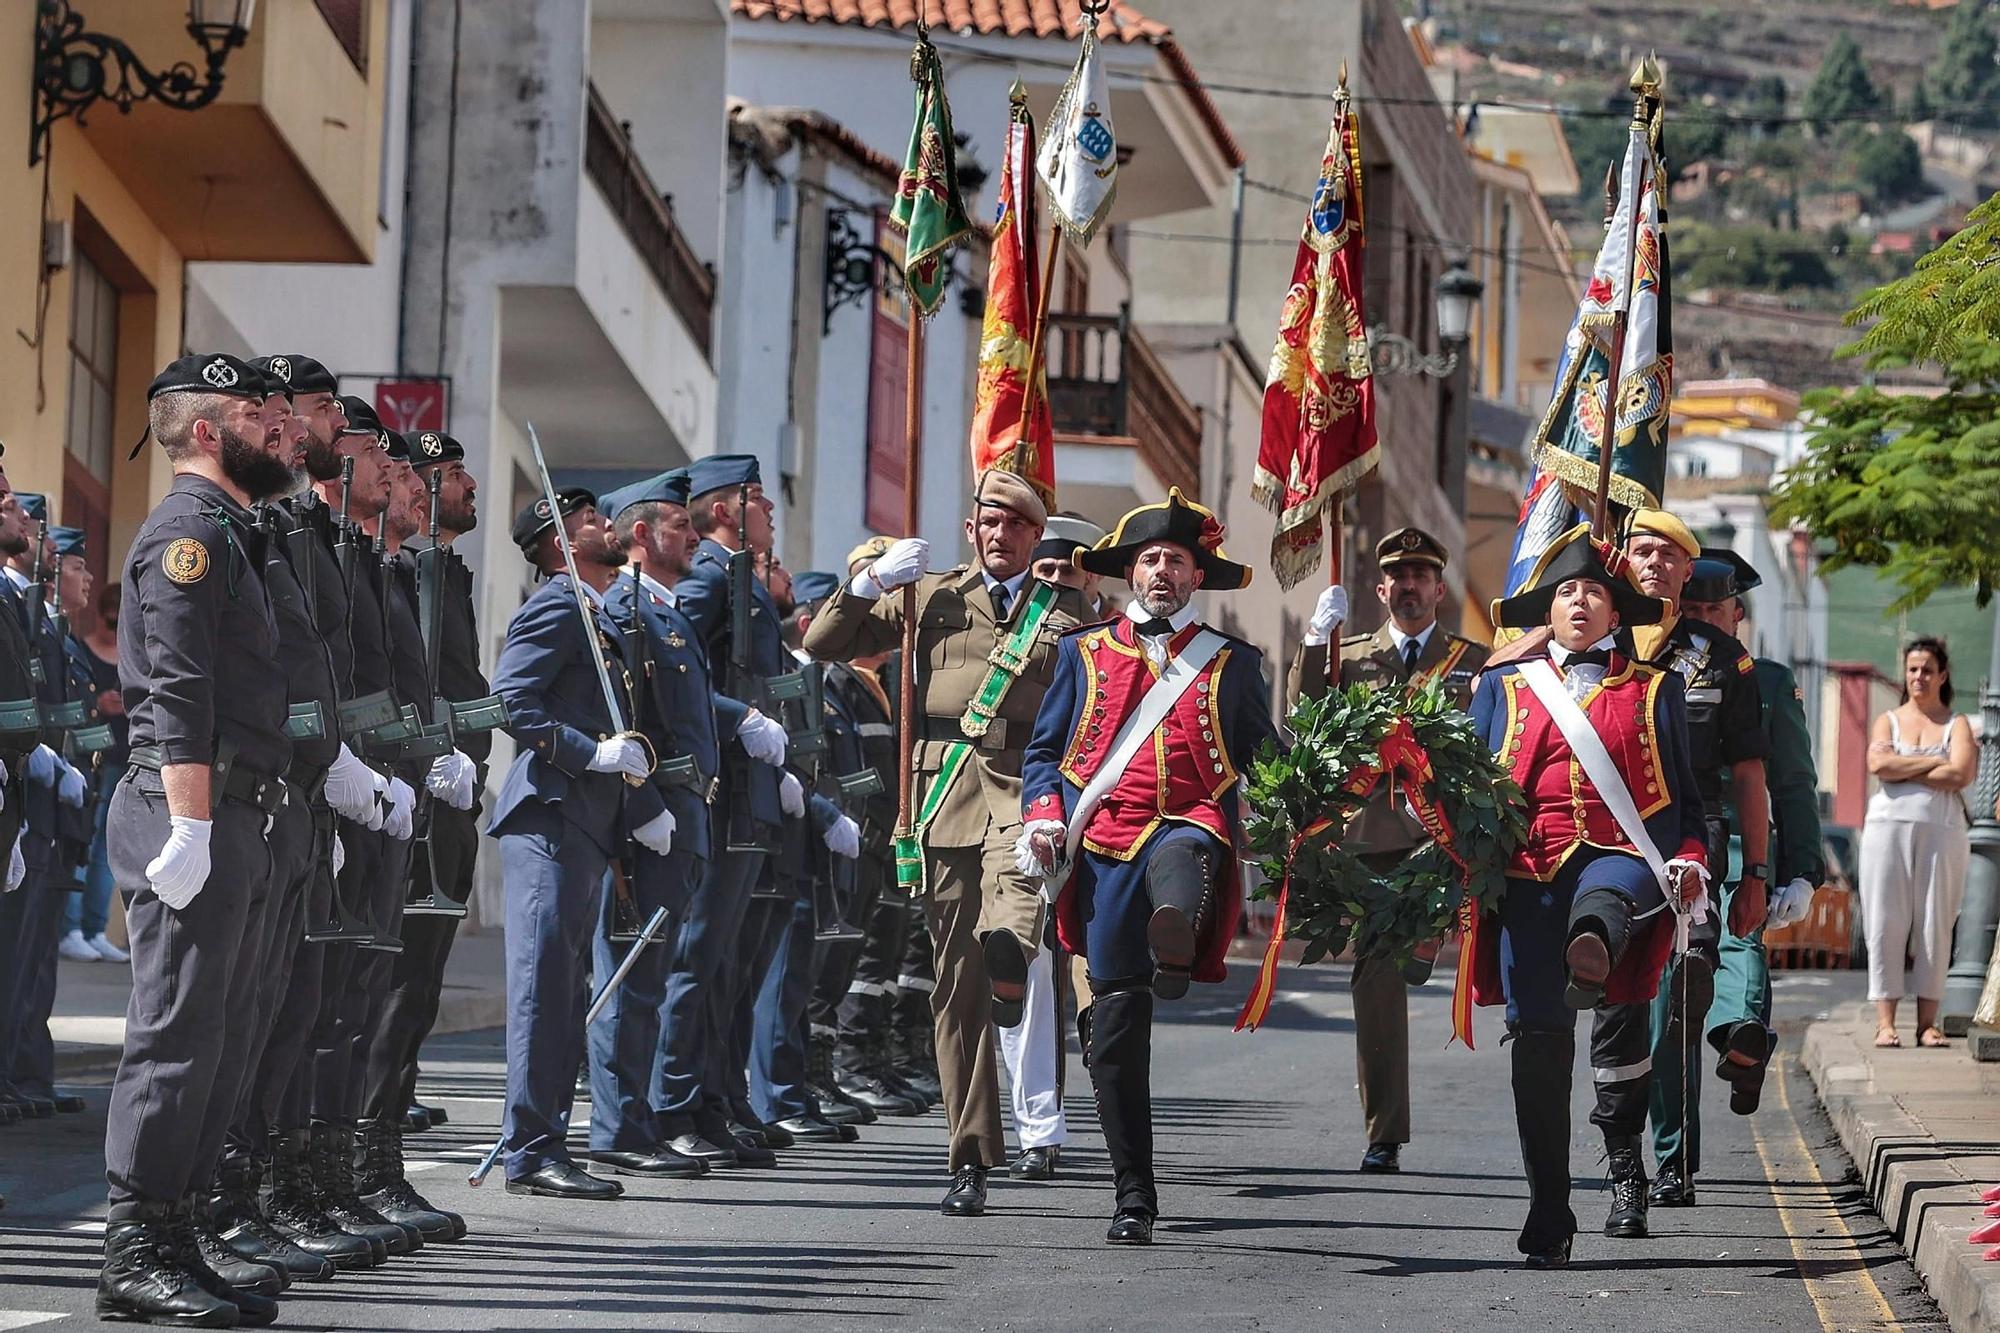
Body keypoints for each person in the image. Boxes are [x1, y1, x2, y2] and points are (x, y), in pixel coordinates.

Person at [805, 467, 1084, 1217]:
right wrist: (866, 583)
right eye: (990, 522)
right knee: (952, 990)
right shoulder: (926, 595)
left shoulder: (1067, 612)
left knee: (1017, 902)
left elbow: (1093, 707)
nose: (1002, 535)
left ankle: (1012, 963)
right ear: (972, 530)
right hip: (945, 790)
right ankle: (968, 1157)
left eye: (1018, 526)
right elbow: (823, 641)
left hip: (1027, 787)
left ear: (1036, 537)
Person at [95, 353, 297, 1326]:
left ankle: (177, 1230)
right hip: (190, 807)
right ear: (210, 430)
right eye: (257, 412)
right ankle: (134, 1247)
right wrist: (189, 822)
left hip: (236, 809)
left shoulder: (234, 533)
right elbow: (175, 689)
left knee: (219, 1037)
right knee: (176, 1036)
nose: (280, 427)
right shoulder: (188, 536)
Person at [1019, 489, 1276, 1244]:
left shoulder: (1232, 664)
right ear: (1131, 572)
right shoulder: (1082, 651)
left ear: (1198, 577)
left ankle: (1179, 933)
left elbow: (1267, 760)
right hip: (1101, 846)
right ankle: (1134, 1193)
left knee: (1185, 851)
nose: (1163, 570)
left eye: (1178, 560)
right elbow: (1043, 755)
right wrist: (1042, 817)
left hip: (1189, 829)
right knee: (1116, 1031)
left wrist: (1325, 785)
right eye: (1151, 558)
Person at [1468, 523, 1709, 1270]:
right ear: (1551, 610)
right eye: (1567, 590)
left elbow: (1687, 810)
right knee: (1537, 1045)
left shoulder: (1655, 690)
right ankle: (1549, 1205)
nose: (1579, 600)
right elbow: (1468, 793)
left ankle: (1594, 950)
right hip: (1526, 874)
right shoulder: (1503, 689)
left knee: (1602, 907)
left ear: (1616, 614)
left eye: (1594, 592)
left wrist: (1692, 861)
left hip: (1621, 861)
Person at [489, 486, 676, 1198]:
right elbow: (512, 699)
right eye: (589, 521)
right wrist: (590, 753)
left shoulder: (600, 616)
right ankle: (531, 1152)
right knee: (543, 991)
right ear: (558, 544)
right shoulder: (558, 603)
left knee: (566, 993)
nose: (606, 525)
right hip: (550, 815)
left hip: (585, 826)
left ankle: (545, 1142)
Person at [1285, 526, 1489, 1174]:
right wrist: (1316, 644)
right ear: (1380, 589)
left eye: (1420, 577)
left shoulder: (1471, 662)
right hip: (1372, 840)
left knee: (1422, 947)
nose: (1408, 587)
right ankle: (1385, 1130)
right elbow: (1305, 716)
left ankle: (1426, 932)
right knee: (1373, 981)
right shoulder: (1354, 654)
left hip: (1443, 843)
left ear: (1438, 588)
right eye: (1397, 578)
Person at [1618, 508, 1770, 1213]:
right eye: (1640, 551)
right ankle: (1623, 1154)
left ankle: (1673, 1159)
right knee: (1620, 1005)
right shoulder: (1597, 643)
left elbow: (1747, 775)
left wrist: (1757, 875)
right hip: (1606, 845)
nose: (1653, 563)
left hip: (1692, 848)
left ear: (1687, 571)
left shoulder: (1722, 658)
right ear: (1621, 560)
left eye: (1667, 554)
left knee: (1681, 993)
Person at [587, 468, 726, 1179]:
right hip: (652, 818)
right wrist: (640, 812)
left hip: (685, 815)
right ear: (641, 533)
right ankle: (617, 1127)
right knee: (632, 976)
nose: (696, 533)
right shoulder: (628, 610)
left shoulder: (666, 613)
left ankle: (633, 1118)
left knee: (655, 975)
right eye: (681, 522)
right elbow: (629, 722)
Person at [655, 454, 792, 1168]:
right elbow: (675, 678)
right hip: (724, 788)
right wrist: (740, 720)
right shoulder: (708, 581)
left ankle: (713, 1097)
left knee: (727, 965)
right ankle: (675, 1104)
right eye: (758, 499)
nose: (769, 512)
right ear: (722, 509)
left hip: (753, 790)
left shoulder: (738, 581)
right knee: (698, 959)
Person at [1675, 553, 1823, 1130]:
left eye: (1715, 609)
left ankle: (1742, 1038)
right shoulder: (1655, 668)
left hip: (1744, 847)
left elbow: (1792, 781)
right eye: (1692, 609)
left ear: (1738, 614)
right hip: (1676, 844)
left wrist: (1805, 870)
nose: (1704, 620)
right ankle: (1671, 1157)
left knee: (1741, 943)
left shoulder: (1765, 680)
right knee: (1671, 993)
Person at [1860, 635, 1976, 1049]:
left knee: (1934, 923)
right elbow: (1878, 764)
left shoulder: (1956, 723)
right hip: (1886, 831)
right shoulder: (1887, 721)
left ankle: (1927, 1022)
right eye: (1912, 669)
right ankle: (1885, 1021)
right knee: (1885, 921)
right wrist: (1933, 761)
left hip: (1942, 833)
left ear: (1942, 674)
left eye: (1927, 669)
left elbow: (1960, 774)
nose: (1918, 677)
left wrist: (1902, 766)